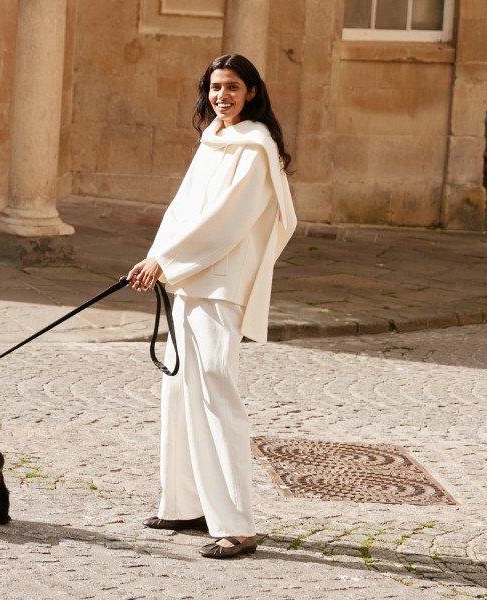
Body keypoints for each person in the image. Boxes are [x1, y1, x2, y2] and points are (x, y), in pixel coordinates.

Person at [127, 54, 297, 559]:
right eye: (216, 87)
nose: (222, 95)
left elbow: (226, 220)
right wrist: (156, 256)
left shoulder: (254, 148)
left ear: (251, 93)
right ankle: (184, 504)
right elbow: (182, 209)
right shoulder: (214, 140)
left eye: (233, 88)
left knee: (218, 395)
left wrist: (167, 262)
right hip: (189, 279)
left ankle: (237, 524)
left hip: (220, 285)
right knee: (178, 390)